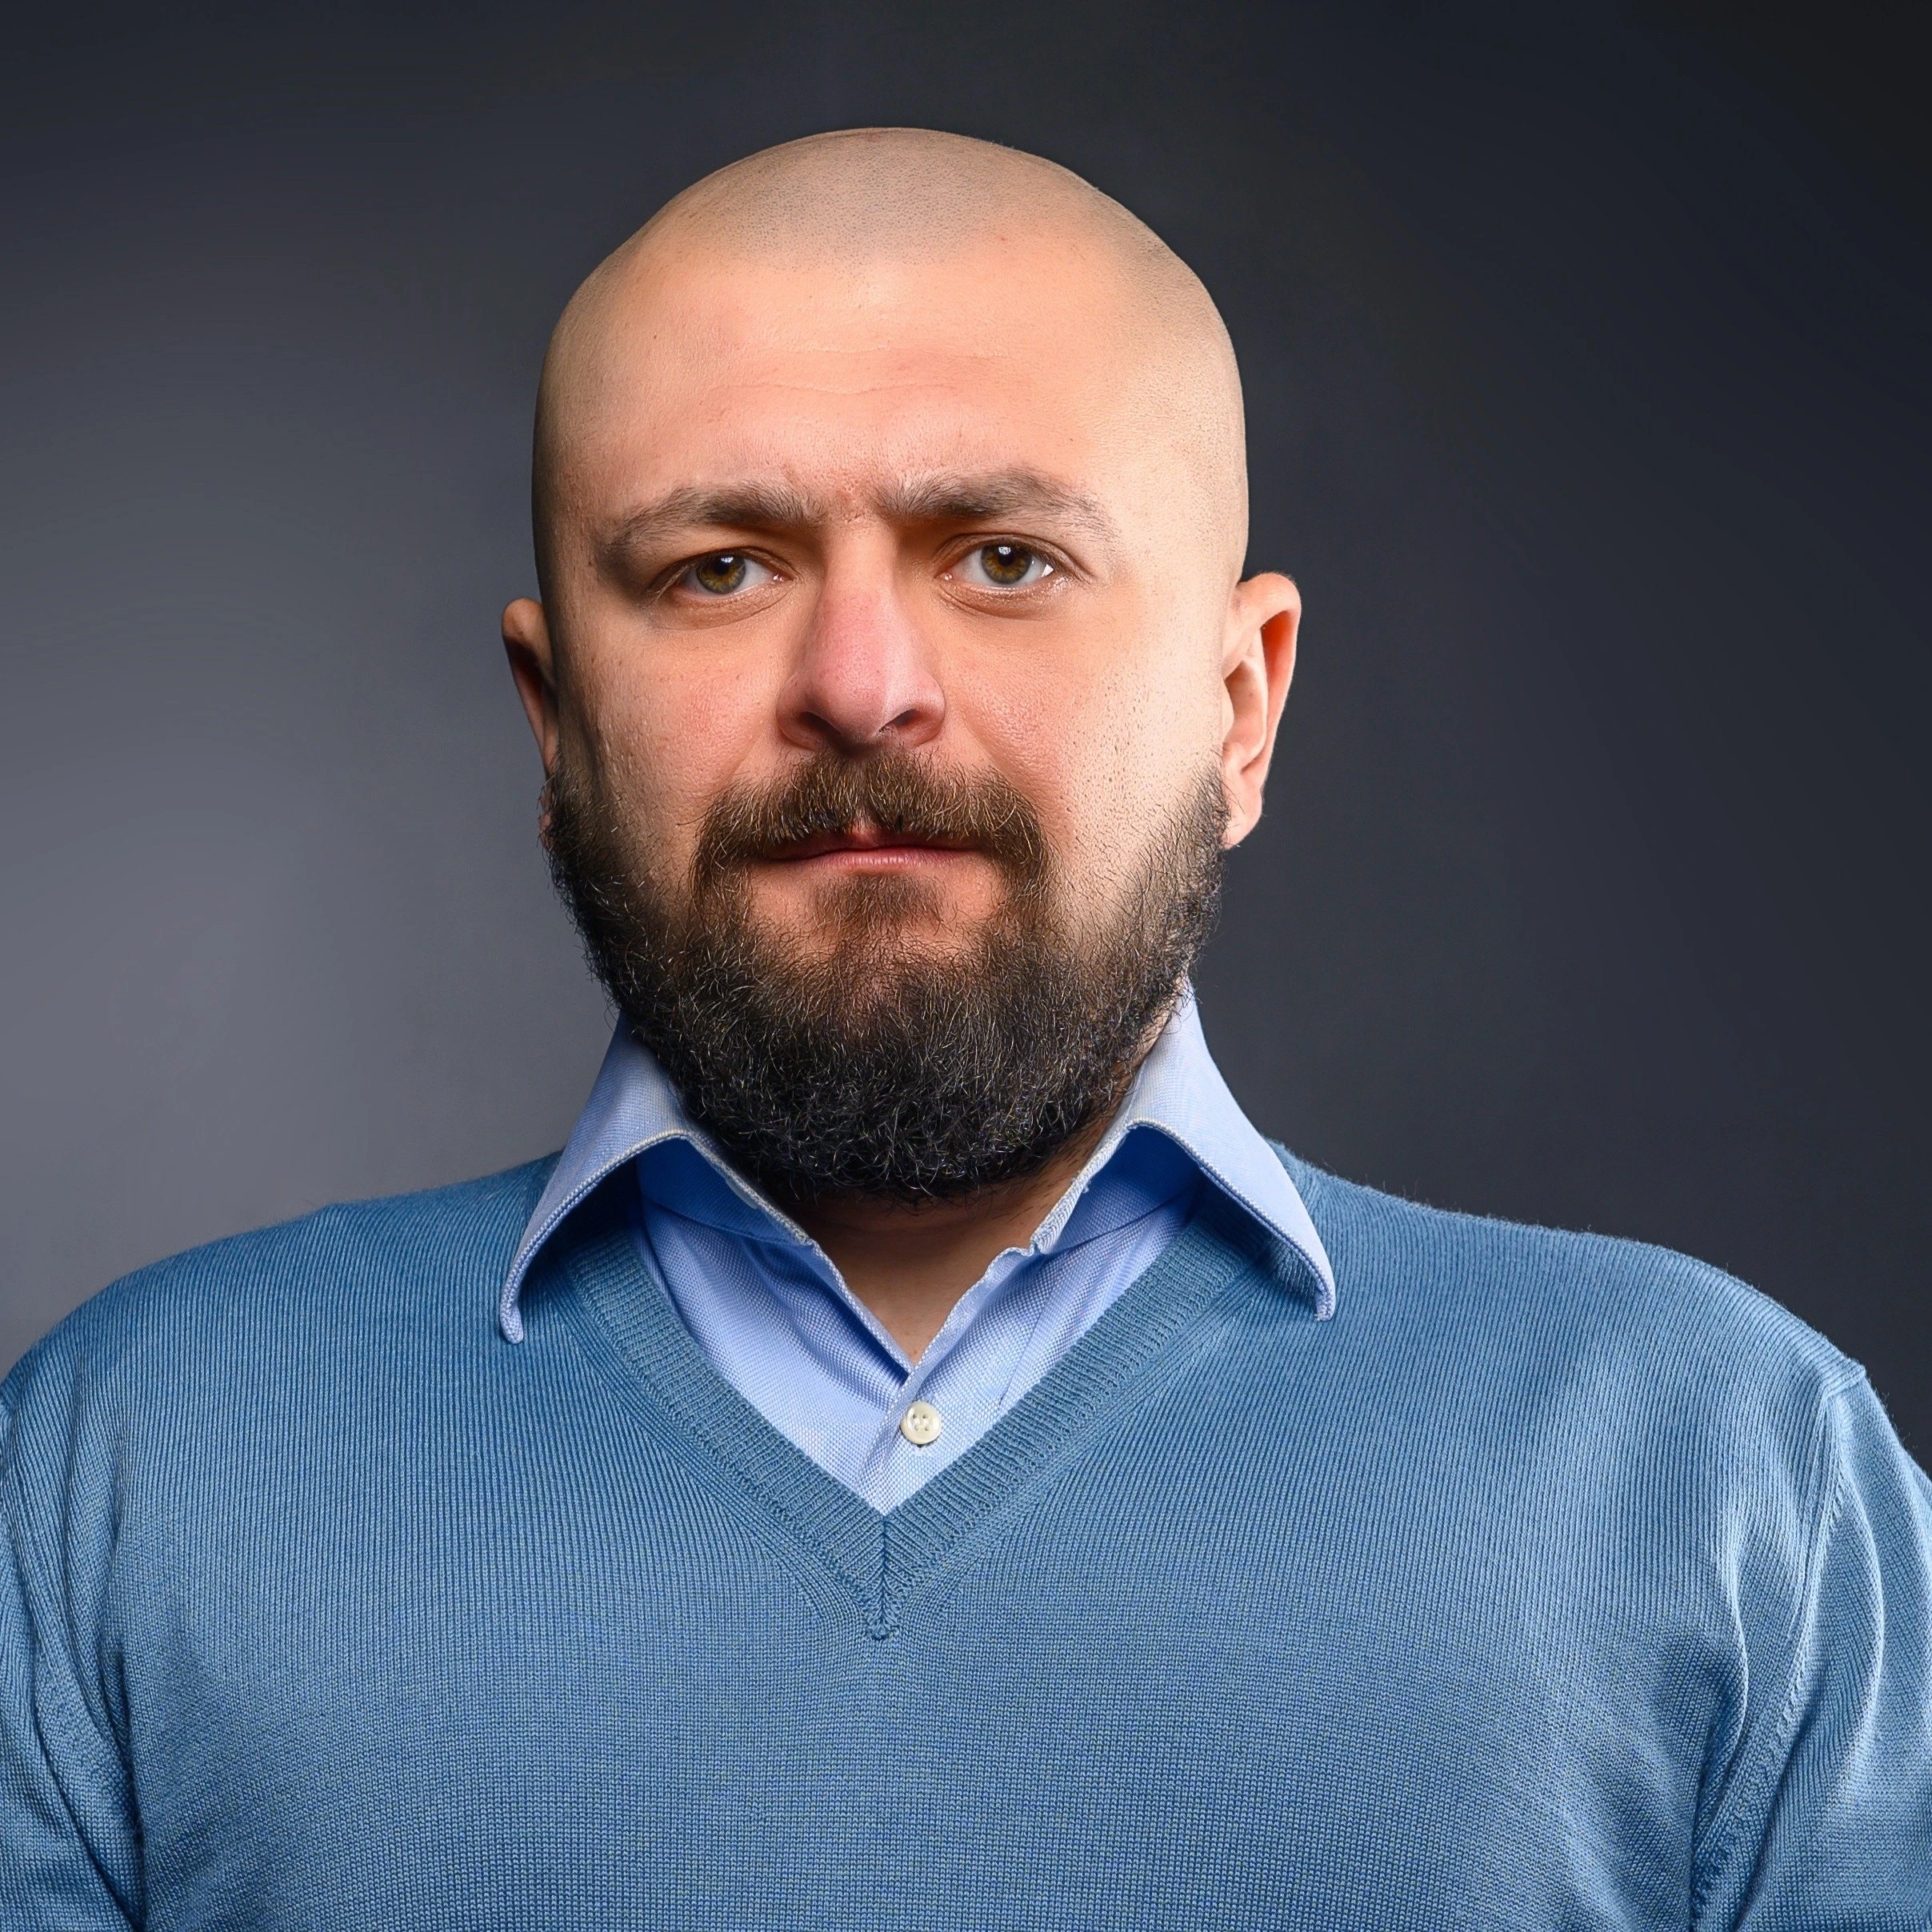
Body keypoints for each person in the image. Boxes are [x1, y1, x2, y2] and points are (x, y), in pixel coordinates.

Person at [3, 127, 1926, 1930]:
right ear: (557, 722)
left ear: (1240, 704)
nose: (860, 688)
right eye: (718, 568)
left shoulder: (1733, 1477)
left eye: (1005, 558)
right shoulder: (123, 1479)